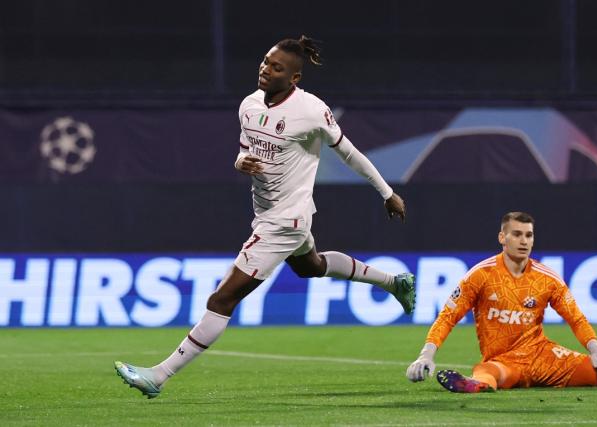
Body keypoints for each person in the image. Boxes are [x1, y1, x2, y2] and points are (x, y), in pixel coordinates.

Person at [114, 35, 416, 399]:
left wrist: (387, 192)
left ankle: (157, 377)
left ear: (294, 78)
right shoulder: (249, 105)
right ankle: (393, 282)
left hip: (286, 221)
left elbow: (350, 154)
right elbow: (244, 153)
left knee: (222, 299)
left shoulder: (310, 110)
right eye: (265, 61)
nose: (265, 69)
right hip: (269, 213)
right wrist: (240, 162)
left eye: (277, 67)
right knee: (311, 266)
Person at [406, 211, 597, 392]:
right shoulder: (480, 275)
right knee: (488, 372)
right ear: (502, 238)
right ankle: (475, 386)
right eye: (517, 234)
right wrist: (425, 356)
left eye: (529, 235)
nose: (524, 241)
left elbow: (576, 318)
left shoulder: (547, 279)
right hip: (504, 361)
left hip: (544, 357)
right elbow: (447, 317)